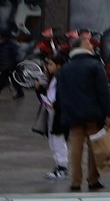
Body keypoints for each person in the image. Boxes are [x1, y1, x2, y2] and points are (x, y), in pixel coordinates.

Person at [55, 34, 110, 192]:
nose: (91, 45)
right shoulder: (94, 65)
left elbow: (60, 94)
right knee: (94, 147)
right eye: (88, 43)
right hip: (93, 115)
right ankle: (93, 179)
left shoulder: (65, 68)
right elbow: (103, 92)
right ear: (81, 47)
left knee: (75, 148)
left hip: (73, 116)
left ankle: (75, 181)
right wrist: (108, 112)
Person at [38, 49, 68, 181]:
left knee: (58, 141)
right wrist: (39, 90)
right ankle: (58, 166)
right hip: (52, 114)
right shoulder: (54, 79)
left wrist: (54, 104)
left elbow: (64, 98)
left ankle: (62, 168)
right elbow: (47, 97)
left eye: (50, 64)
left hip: (59, 115)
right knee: (53, 141)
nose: (47, 67)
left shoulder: (62, 79)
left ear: (59, 66)